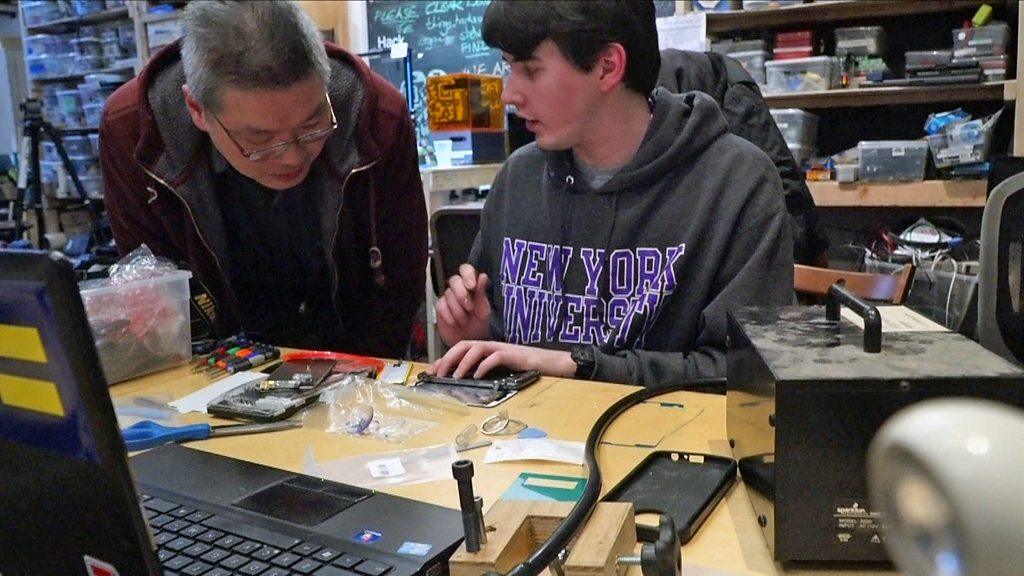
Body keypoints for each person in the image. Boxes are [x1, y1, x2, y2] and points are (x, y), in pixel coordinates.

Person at [427, 0, 793, 388]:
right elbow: (511, 348)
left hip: (663, 441)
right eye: (508, 66)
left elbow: (747, 375)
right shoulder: (518, 177)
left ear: (608, 66)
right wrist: (480, 332)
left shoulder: (736, 185)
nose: (508, 94)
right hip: (520, 436)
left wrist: (581, 365)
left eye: (531, 70)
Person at [100, 1, 426, 357]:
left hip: (356, 358)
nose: (292, 156)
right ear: (197, 110)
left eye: (313, 125)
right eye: (260, 141)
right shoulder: (134, 132)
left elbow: (398, 287)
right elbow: (155, 299)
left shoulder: (378, 117)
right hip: (213, 367)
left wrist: (365, 379)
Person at [657, 48, 829, 266]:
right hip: (686, 101)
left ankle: (816, 285)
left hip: (724, 85)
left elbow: (784, 184)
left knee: (775, 183)